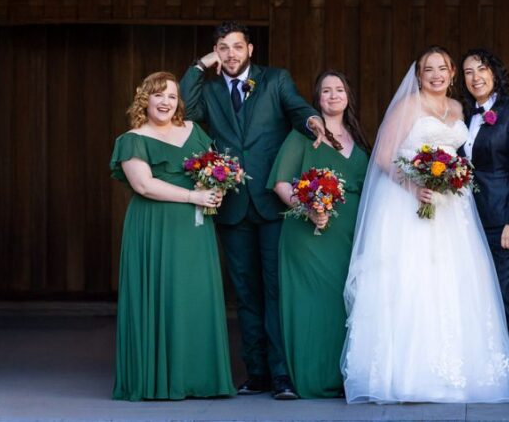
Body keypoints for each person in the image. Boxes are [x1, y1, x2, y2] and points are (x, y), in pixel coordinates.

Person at [341, 46, 509, 403]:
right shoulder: (409, 106)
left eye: (442, 68)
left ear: (452, 74)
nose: (436, 75)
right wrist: (415, 185)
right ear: (418, 76)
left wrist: (450, 179)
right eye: (428, 69)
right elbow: (386, 156)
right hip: (409, 206)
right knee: (414, 281)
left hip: (454, 209)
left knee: (453, 282)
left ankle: (457, 373)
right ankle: (409, 375)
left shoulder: (457, 109)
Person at [180, 21, 326, 400]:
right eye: (222, 48)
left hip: (270, 200)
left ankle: (282, 375)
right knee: (245, 293)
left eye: (236, 47)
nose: (230, 54)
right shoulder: (209, 89)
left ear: (250, 50)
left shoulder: (275, 79)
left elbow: (296, 109)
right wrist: (200, 65)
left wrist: (312, 120)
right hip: (231, 204)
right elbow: (185, 107)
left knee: (275, 289)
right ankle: (256, 372)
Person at [109, 71, 234, 401]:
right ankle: (159, 380)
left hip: (195, 229)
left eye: (172, 96)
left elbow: (215, 169)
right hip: (155, 227)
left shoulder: (194, 131)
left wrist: (215, 190)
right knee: (161, 294)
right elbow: (143, 185)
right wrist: (193, 196)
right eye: (158, 95)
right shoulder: (132, 139)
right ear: (144, 100)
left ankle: (200, 378)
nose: (165, 102)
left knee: (195, 296)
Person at [267, 70, 370, 398]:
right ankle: (313, 377)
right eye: (326, 91)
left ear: (348, 96)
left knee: (346, 302)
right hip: (309, 234)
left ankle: (344, 376)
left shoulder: (359, 137)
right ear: (317, 99)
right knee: (315, 304)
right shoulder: (302, 136)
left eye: (339, 89)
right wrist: (308, 208)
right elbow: (282, 182)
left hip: (350, 234)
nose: (333, 95)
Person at [458, 48, 509, 400]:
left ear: (495, 74)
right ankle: (489, 369)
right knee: (478, 298)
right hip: (469, 221)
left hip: (504, 221)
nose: (476, 77)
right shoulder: (463, 118)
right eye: (469, 72)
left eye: (482, 70)